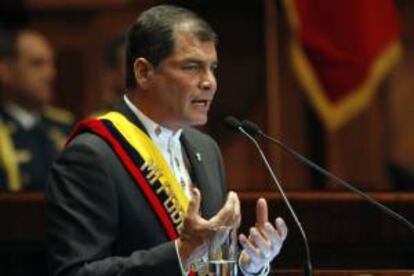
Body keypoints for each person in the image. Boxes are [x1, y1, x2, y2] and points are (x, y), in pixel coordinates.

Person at [46, 5, 288, 276]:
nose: (209, 82)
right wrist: (181, 252)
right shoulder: (92, 155)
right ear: (144, 73)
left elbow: (207, 261)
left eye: (213, 68)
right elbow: (74, 273)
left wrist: (248, 264)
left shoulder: (205, 149)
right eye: (192, 67)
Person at [0, 29, 74, 191]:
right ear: (6, 71)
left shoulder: (65, 126)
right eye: (37, 64)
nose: (50, 74)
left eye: (51, 64)